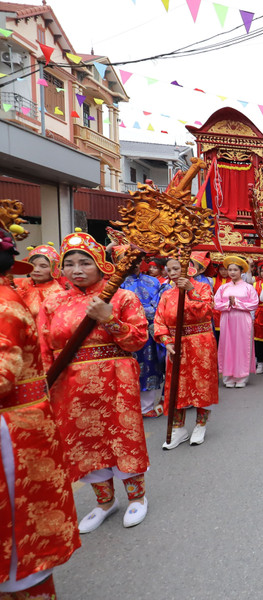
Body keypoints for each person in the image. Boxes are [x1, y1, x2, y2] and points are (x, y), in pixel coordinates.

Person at [39, 229, 151, 532]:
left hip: (115, 380)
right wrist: (44, 387)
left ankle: (137, 497)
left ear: (101, 264)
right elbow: (44, 348)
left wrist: (109, 319)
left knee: (122, 437)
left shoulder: (123, 296)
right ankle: (105, 502)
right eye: (70, 263)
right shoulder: (52, 302)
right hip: (70, 384)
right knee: (85, 442)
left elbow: (138, 339)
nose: (77, 270)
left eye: (85, 262)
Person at [0, 221, 80, 599]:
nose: (77, 270)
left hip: (15, 421)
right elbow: (46, 338)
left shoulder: (5, 304)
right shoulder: (32, 298)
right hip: (55, 377)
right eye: (72, 263)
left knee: (19, 531)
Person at [154, 258, 218, 448]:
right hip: (176, 345)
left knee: (201, 383)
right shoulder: (167, 294)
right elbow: (159, 321)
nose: (173, 272)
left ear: (189, 268)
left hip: (200, 342)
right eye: (170, 269)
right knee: (177, 385)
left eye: (177, 268)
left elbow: (207, 311)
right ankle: (178, 428)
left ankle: (200, 424)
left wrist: (191, 290)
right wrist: (166, 341)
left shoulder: (203, 288)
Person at [119, 256, 164, 417]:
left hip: (148, 331)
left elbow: (158, 305)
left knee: (150, 366)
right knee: (127, 369)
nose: (132, 265)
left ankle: (147, 407)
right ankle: (128, 407)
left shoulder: (153, 282)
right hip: (125, 332)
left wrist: (141, 313)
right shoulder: (118, 284)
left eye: (135, 262)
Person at [214, 256, 259, 388]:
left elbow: (254, 304)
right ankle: (228, 377)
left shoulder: (248, 287)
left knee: (242, 346)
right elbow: (216, 304)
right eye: (230, 270)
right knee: (226, 345)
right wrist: (228, 303)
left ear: (241, 271)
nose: (232, 272)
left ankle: (241, 377)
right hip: (227, 319)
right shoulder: (223, 288)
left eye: (235, 270)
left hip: (243, 319)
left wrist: (237, 303)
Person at [15, 243, 65, 320]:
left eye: (43, 266)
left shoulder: (58, 294)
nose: (36, 270)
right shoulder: (16, 283)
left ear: (53, 269)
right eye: (33, 265)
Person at [211, 262, 229, 341]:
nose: (224, 272)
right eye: (221, 269)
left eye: (226, 270)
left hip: (228, 310)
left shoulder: (234, 282)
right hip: (216, 311)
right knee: (216, 335)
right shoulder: (213, 280)